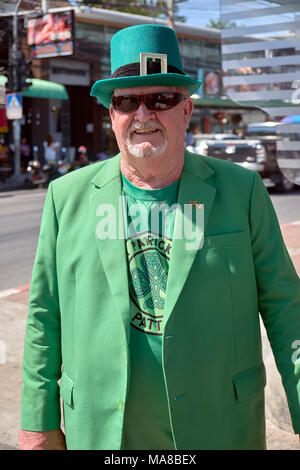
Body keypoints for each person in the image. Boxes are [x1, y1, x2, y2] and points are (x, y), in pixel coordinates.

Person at [19, 24, 300, 451]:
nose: (143, 114)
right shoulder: (65, 197)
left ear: (186, 110)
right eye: (127, 101)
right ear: (112, 114)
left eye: (161, 99)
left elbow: (286, 309)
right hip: (101, 433)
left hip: (221, 427)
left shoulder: (241, 191)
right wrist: (37, 424)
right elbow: (44, 316)